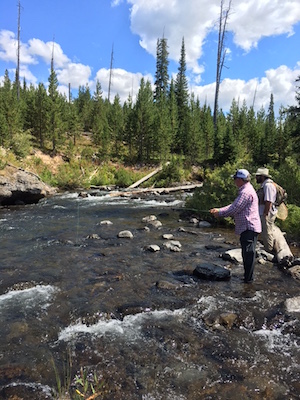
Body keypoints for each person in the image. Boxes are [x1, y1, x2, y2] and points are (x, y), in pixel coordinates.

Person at [210, 169, 261, 283]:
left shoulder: (245, 192)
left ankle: (248, 280)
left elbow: (234, 209)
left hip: (248, 227)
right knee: (247, 254)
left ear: (240, 180)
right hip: (249, 228)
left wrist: (219, 213)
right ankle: (248, 279)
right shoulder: (246, 189)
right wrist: (219, 209)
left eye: (235, 179)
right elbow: (234, 205)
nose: (234, 181)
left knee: (248, 256)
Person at [255, 167, 277, 253]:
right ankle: (268, 248)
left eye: (258, 176)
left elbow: (269, 201)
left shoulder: (268, 186)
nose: (256, 178)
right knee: (266, 231)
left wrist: (265, 214)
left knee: (267, 232)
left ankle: (269, 251)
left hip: (267, 213)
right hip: (265, 212)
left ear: (263, 177)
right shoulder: (265, 185)